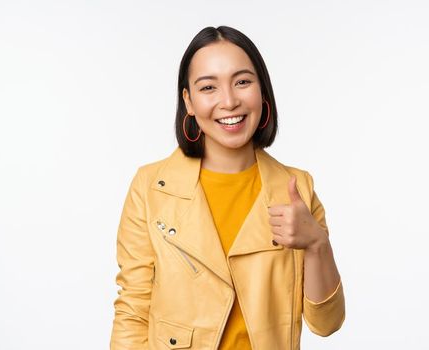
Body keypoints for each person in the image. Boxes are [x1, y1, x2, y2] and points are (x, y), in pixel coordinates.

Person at [109, 26, 345, 350]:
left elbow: (326, 323)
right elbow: (132, 310)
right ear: (188, 102)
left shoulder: (296, 189)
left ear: (262, 91)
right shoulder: (150, 188)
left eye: (242, 81)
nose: (230, 101)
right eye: (208, 87)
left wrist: (317, 243)